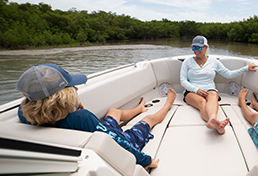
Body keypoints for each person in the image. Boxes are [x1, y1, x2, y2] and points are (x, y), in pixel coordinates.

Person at [16, 63, 176, 169]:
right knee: (148, 120)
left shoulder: (24, 114)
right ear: (64, 96)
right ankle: (168, 104)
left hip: (93, 133)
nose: (76, 90)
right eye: (72, 88)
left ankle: (139, 108)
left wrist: (70, 106)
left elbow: (38, 105)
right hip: (116, 142)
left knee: (114, 111)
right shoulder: (82, 118)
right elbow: (117, 142)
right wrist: (147, 161)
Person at [180, 35, 258, 135]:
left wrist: (246, 68)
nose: (196, 50)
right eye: (193, 47)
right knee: (202, 102)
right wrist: (196, 90)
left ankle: (213, 121)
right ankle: (216, 124)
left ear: (206, 47)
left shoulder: (214, 62)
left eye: (199, 47)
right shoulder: (187, 62)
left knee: (213, 95)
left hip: (210, 90)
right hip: (191, 91)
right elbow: (183, 80)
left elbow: (228, 74)